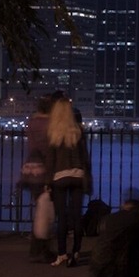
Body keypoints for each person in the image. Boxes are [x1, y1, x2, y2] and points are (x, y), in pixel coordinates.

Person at [44, 95, 92, 267]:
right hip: (78, 176)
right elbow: (85, 158)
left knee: (62, 217)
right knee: (77, 216)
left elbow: (50, 160)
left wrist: (48, 181)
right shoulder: (78, 131)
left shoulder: (54, 132)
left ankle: (62, 253)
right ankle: (76, 252)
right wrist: (88, 179)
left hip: (60, 177)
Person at [23, 95, 54, 261]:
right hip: (45, 171)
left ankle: (38, 249)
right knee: (46, 211)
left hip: (31, 169)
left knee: (40, 209)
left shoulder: (32, 122)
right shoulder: (49, 124)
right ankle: (40, 250)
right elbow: (49, 150)